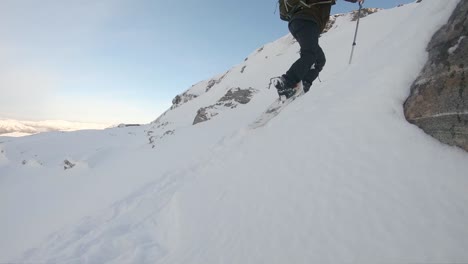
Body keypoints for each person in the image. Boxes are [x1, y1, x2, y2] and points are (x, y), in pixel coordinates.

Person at [275, 0, 365, 98]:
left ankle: (304, 84)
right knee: (310, 54)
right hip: (307, 20)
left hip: (298, 22)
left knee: (320, 60)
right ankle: (286, 82)